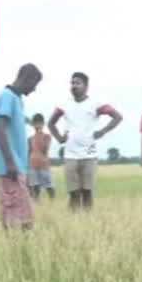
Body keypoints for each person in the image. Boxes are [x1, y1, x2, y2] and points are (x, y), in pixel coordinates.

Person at [48, 72, 122, 211]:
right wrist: (59, 138)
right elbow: (51, 123)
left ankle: (88, 222)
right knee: (73, 193)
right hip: (70, 156)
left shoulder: (95, 104)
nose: (74, 86)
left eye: (78, 83)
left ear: (86, 86)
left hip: (89, 156)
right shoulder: (64, 105)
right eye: (72, 83)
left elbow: (117, 116)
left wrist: (103, 131)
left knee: (87, 193)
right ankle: (74, 224)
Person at [0, 64, 43, 230]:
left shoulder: (17, 99)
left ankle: (15, 250)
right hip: (10, 168)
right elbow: (0, 129)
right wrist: (10, 163)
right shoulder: (7, 96)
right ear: (27, 79)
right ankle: (20, 250)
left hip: (16, 166)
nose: (34, 89)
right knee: (23, 218)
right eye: (34, 84)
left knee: (15, 213)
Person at [27, 113, 55, 201]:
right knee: (35, 187)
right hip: (32, 166)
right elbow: (29, 152)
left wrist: (40, 134)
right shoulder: (30, 138)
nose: (37, 125)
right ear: (32, 124)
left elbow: (45, 149)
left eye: (39, 123)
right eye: (35, 123)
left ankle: (53, 202)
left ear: (43, 124)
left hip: (44, 166)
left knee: (49, 186)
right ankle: (36, 205)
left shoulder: (47, 136)